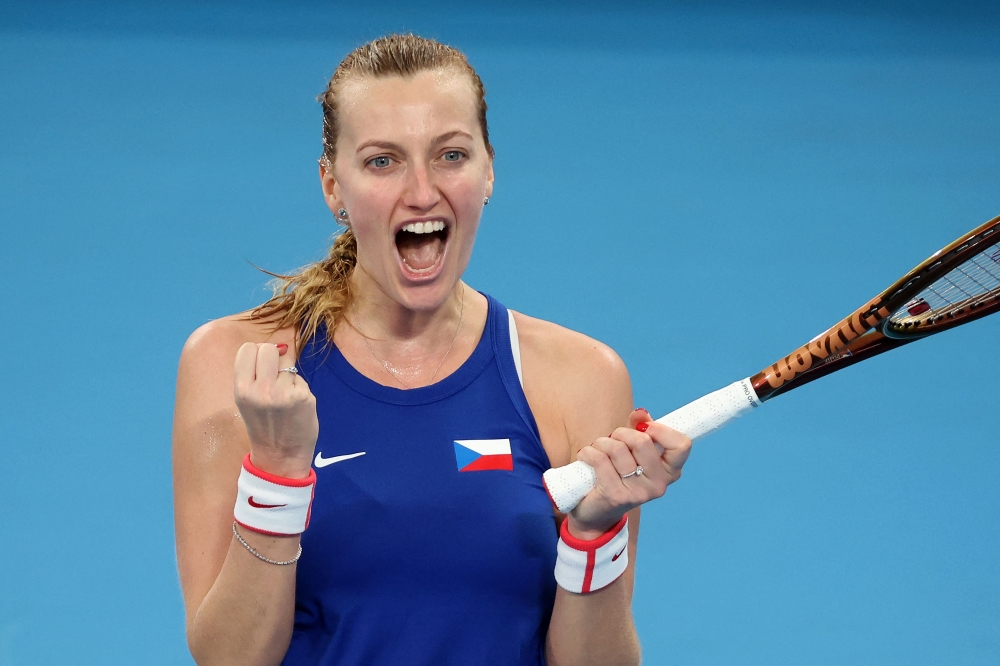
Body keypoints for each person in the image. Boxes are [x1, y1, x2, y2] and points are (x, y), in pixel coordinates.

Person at [172, 34, 691, 666]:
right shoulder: (236, 364)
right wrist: (278, 471)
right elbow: (228, 658)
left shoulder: (581, 378)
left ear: (489, 169)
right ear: (333, 186)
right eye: (383, 161)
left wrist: (593, 534)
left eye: (450, 154)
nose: (421, 192)